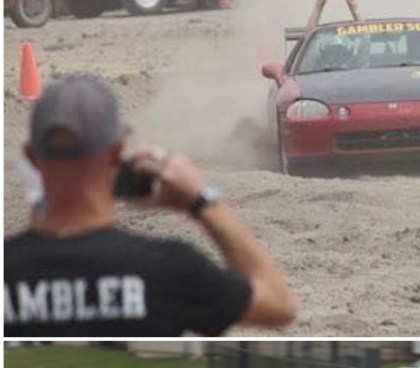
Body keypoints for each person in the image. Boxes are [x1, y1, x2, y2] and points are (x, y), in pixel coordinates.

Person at [4, 75, 298, 336]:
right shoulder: (169, 267)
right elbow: (279, 305)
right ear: (118, 150)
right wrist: (201, 201)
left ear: (31, 158)